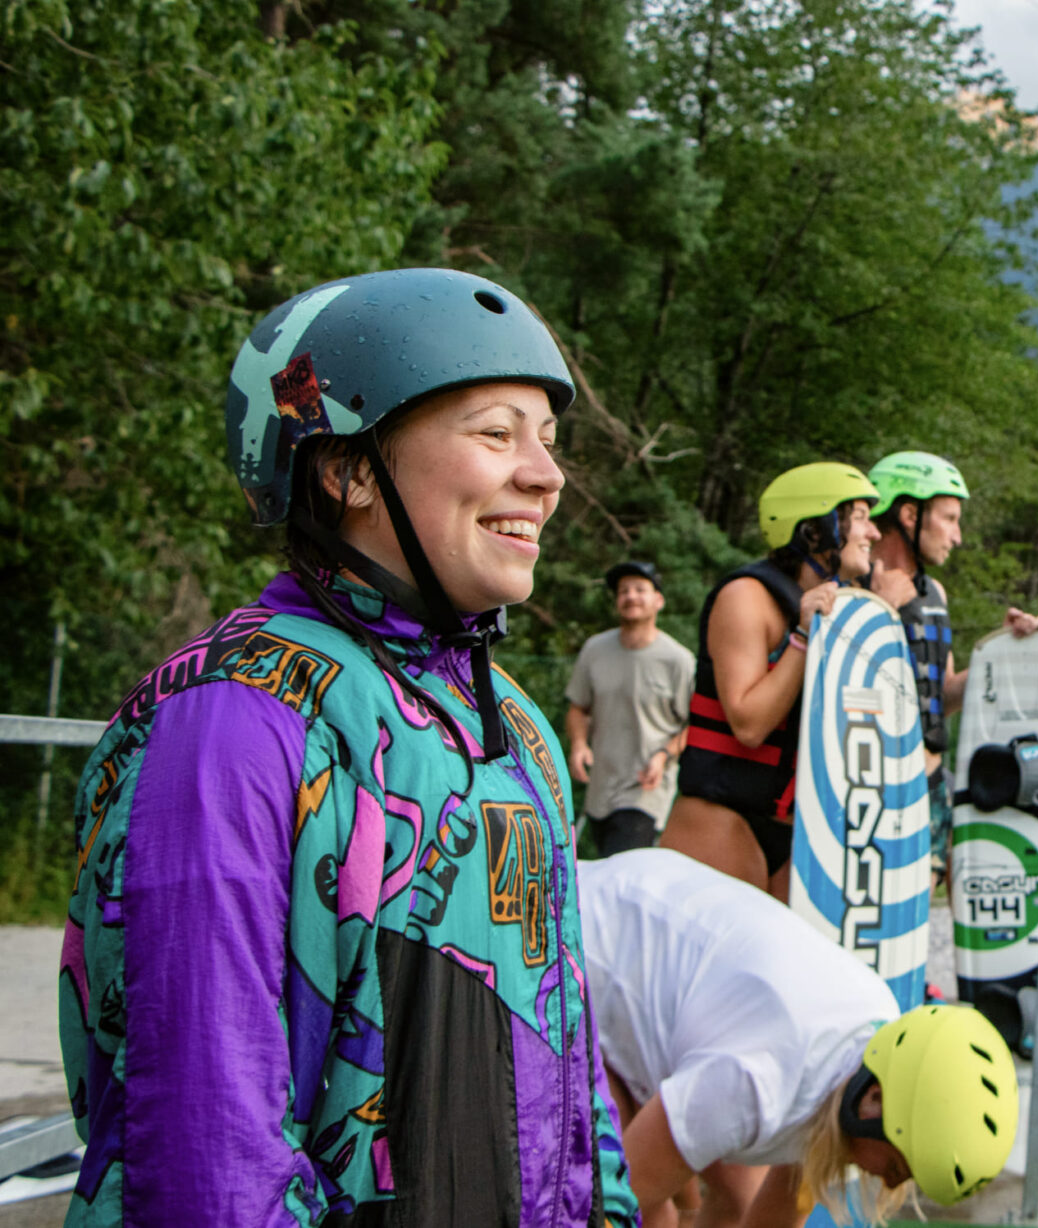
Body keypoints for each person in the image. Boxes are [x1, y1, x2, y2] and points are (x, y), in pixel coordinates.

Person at [57, 269, 638, 1226]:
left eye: (547, 438)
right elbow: (210, 1146)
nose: (546, 473)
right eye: (497, 433)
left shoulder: (514, 726)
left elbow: (570, 1064)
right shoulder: (236, 717)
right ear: (347, 470)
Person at [578, 849, 1019, 1228]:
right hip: (579, 948)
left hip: (656, 959)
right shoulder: (758, 1078)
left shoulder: (868, 1051)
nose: (888, 1183)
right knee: (641, 1213)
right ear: (875, 1102)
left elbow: (774, 1217)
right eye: (896, 1167)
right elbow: (610, 1201)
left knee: (737, 1202)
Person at [661, 463, 881, 899]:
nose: (873, 533)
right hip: (722, 817)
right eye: (859, 517)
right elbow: (748, 723)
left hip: (797, 827)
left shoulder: (846, 608)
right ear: (815, 529)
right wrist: (802, 637)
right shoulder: (745, 597)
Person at [864, 451, 1038, 879]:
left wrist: (1003, 653)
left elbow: (940, 696)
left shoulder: (935, 595)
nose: (958, 536)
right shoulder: (853, 588)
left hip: (928, 787)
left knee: (915, 936)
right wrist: (875, 609)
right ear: (910, 514)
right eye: (949, 518)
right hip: (875, 785)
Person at [567, 560, 695, 855]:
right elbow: (578, 708)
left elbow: (693, 726)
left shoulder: (678, 660)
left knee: (623, 868)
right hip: (600, 791)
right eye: (624, 591)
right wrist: (578, 745)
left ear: (658, 600)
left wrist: (663, 756)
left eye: (640, 589)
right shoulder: (595, 650)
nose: (631, 596)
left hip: (646, 792)